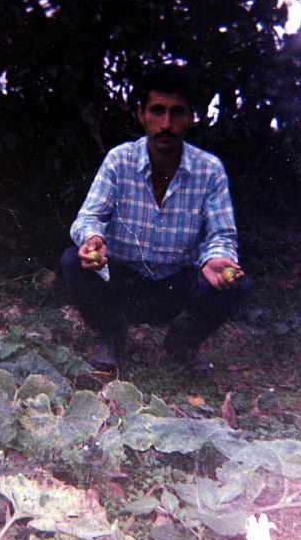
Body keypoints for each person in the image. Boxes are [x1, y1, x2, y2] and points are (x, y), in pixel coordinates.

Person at [61, 64, 252, 374]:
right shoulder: (119, 160)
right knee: (73, 261)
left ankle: (182, 341)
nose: (166, 124)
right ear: (141, 115)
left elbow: (222, 235)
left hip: (176, 284)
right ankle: (112, 333)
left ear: (190, 118)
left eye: (177, 113)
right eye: (157, 111)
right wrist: (93, 239)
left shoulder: (209, 170)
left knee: (237, 285)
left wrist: (215, 258)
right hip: (122, 281)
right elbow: (89, 216)